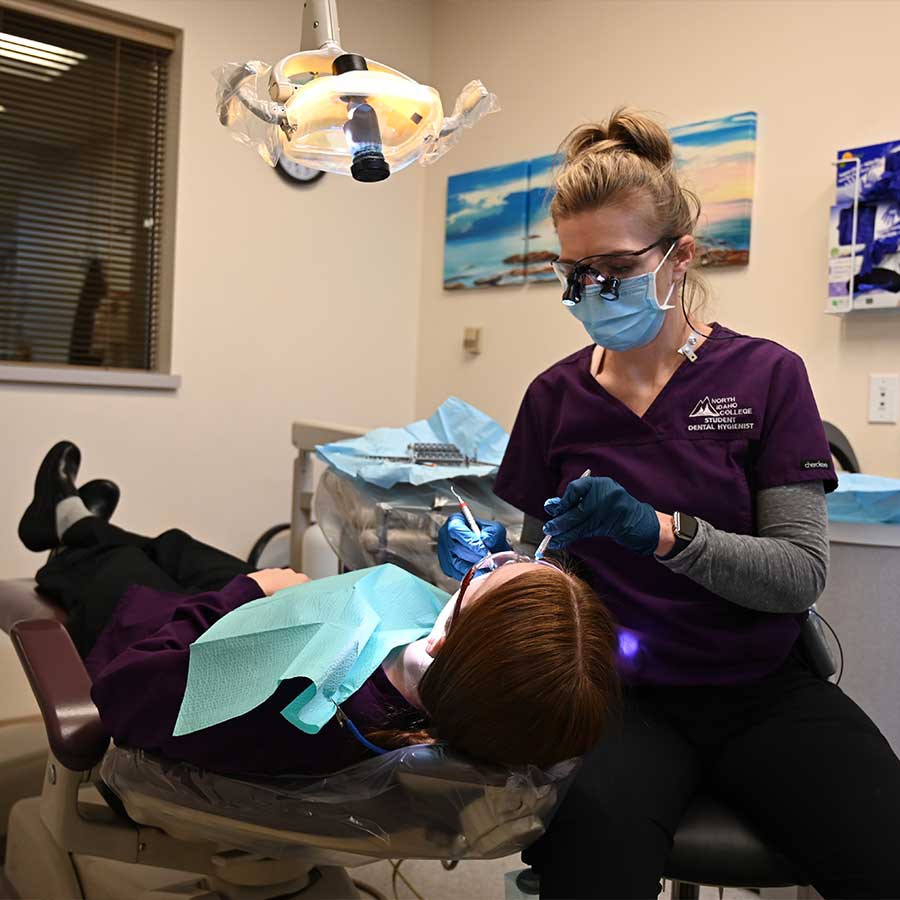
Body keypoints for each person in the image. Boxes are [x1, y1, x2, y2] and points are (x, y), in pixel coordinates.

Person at [438, 108, 900, 898]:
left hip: (763, 690)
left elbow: (797, 576)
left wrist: (660, 533)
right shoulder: (553, 399)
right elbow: (541, 565)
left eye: (614, 268)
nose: (592, 290)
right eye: (574, 272)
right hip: (621, 699)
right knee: (588, 867)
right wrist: (494, 569)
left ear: (679, 256)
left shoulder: (765, 377)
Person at [16, 441, 619, 778]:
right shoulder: (470, 704)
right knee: (182, 547)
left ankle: (73, 530)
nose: (491, 561)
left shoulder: (299, 690)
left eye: (478, 581)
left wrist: (246, 594)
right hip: (278, 624)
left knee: (120, 569)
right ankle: (86, 525)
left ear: (444, 642)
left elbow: (124, 691)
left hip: (176, 641)